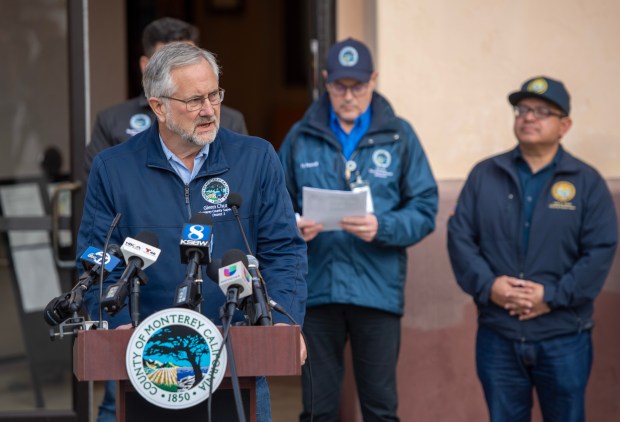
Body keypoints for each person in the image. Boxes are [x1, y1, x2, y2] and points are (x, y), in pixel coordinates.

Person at [78, 42, 307, 422]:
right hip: (150, 365)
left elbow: (283, 251)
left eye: (214, 94)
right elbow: (99, 262)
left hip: (238, 359)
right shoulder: (113, 169)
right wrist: (119, 329)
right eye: (194, 99)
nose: (209, 110)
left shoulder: (256, 158)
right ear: (158, 106)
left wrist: (283, 323)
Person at [278, 38, 438, 421]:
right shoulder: (301, 136)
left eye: (359, 86)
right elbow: (275, 206)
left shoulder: (400, 135)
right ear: (325, 80)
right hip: (316, 290)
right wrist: (294, 226)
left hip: (377, 289)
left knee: (380, 408)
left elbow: (425, 207)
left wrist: (382, 226)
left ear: (374, 81)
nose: (349, 95)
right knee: (317, 409)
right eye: (339, 86)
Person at [447, 76, 618, 421]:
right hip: (499, 335)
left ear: (564, 125)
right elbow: (460, 237)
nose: (529, 117)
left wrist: (552, 296)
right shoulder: (485, 175)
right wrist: (490, 287)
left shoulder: (586, 182)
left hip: (564, 337)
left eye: (542, 111)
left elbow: (600, 251)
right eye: (522, 109)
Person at [84, 17, 248, 177]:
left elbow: (245, 179)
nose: (207, 111)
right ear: (145, 66)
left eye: (188, 58)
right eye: (168, 61)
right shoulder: (111, 119)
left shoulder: (229, 120)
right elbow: (99, 187)